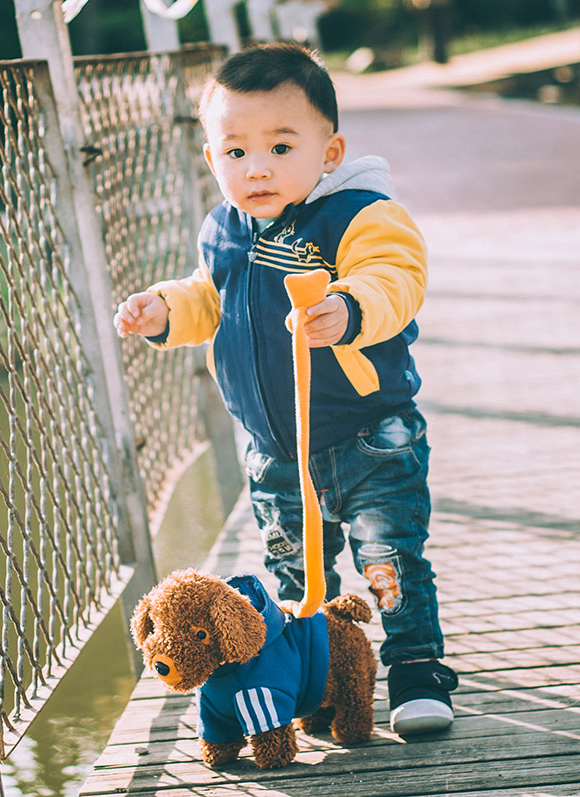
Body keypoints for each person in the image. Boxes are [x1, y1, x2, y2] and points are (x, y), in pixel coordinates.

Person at [113, 43, 457, 736]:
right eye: (235, 152)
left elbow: (396, 274)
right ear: (211, 161)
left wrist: (352, 305)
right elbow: (213, 299)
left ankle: (416, 665)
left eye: (279, 145)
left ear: (329, 152)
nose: (257, 166)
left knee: (387, 560)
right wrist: (166, 310)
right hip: (274, 450)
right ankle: (316, 669)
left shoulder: (359, 215)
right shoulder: (224, 232)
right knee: (294, 572)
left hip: (369, 436)